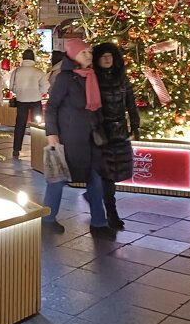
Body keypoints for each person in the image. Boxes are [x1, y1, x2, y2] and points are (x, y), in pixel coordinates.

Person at [42, 39, 115, 239]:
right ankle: (47, 220)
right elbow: (52, 107)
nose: (89, 56)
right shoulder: (65, 78)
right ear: (73, 55)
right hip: (69, 138)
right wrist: (52, 134)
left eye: (90, 52)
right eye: (84, 53)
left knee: (97, 179)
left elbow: (99, 107)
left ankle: (99, 223)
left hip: (93, 139)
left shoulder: (93, 76)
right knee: (57, 180)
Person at [92, 42, 141, 230]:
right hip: (102, 131)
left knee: (115, 173)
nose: (107, 59)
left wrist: (135, 124)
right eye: (103, 56)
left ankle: (106, 208)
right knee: (106, 175)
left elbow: (131, 103)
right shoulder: (94, 79)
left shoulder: (122, 79)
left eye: (110, 56)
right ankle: (111, 213)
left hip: (120, 130)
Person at [7, 48, 49, 158]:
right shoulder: (39, 71)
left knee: (20, 125)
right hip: (36, 100)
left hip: (21, 100)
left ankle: (16, 149)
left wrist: (20, 91)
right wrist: (38, 92)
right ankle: (38, 149)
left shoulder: (17, 71)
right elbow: (45, 88)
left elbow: (11, 87)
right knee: (37, 125)